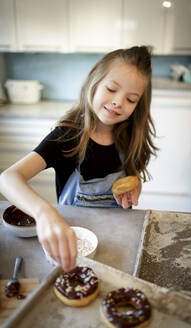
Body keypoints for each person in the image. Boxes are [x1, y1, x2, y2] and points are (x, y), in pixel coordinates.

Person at [0, 46, 157, 272]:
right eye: (111, 89)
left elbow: (133, 176)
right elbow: (8, 178)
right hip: (73, 244)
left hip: (120, 243)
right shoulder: (68, 137)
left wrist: (135, 185)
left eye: (131, 99)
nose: (118, 102)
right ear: (93, 82)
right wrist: (45, 213)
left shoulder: (131, 137)